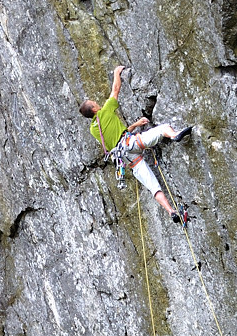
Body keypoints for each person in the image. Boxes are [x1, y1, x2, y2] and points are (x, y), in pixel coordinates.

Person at [79, 65, 193, 220]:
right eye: (94, 103)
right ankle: (174, 136)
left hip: (126, 158)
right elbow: (115, 89)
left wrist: (136, 125)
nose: (97, 103)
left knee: (152, 186)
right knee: (164, 128)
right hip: (132, 143)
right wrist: (116, 73)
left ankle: (170, 211)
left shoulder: (94, 130)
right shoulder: (104, 111)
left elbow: (117, 137)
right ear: (93, 109)